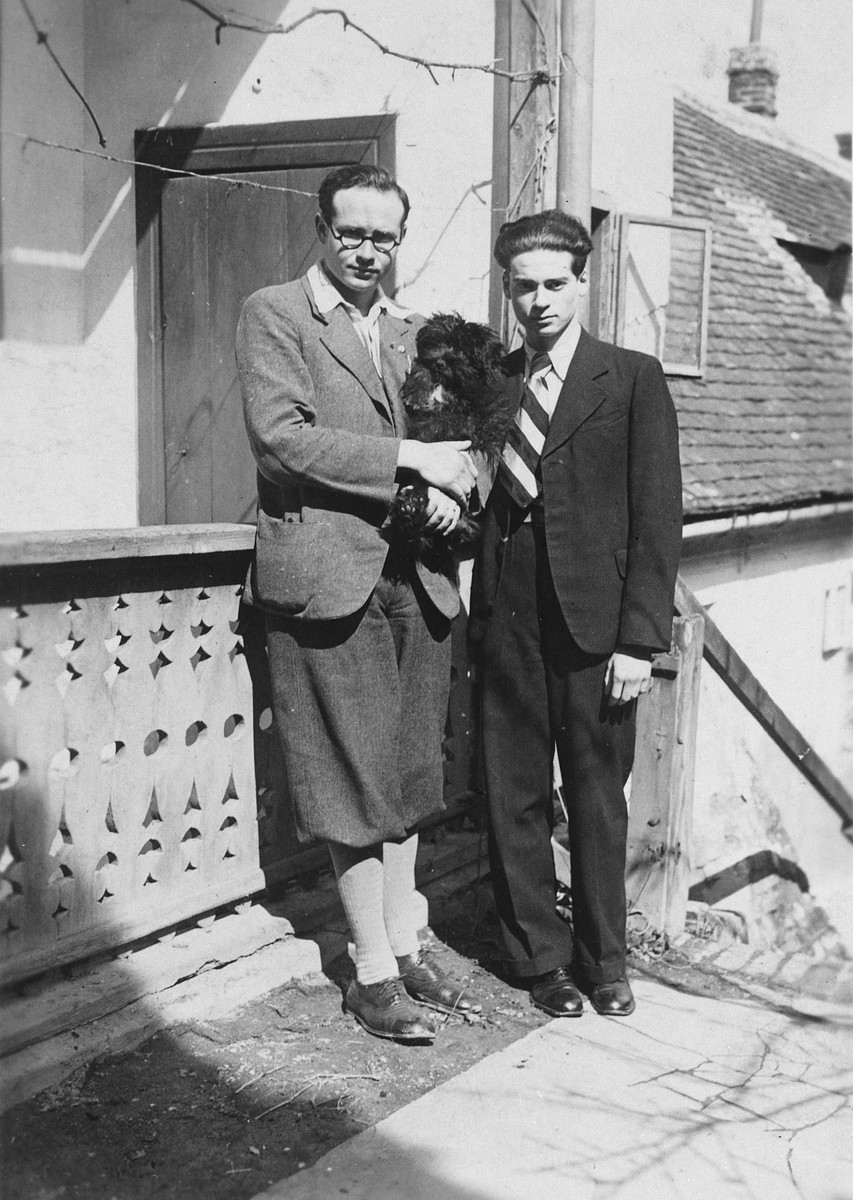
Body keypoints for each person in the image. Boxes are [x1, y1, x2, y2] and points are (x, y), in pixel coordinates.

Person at [236, 164, 481, 1042]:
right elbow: (282, 441)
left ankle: (407, 946)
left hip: (416, 578)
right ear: (321, 226)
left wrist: (461, 487)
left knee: (411, 775)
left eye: (384, 235)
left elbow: (463, 443)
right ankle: (371, 972)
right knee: (349, 778)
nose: (368, 249)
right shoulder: (276, 313)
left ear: (399, 239)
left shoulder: (417, 332)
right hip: (326, 581)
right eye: (352, 233)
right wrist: (415, 462)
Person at [472, 210, 682, 1017]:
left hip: (596, 623)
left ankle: (606, 962)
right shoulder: (493, 383)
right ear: (507, 290)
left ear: (582, 282)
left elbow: (655, 515)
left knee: (596, 797)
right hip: (507, 616)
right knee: (510, 793)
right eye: (523, 287)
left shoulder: (630, 377)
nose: (539, 302)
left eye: (554, 284)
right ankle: (539, 960)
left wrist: (639, 640)